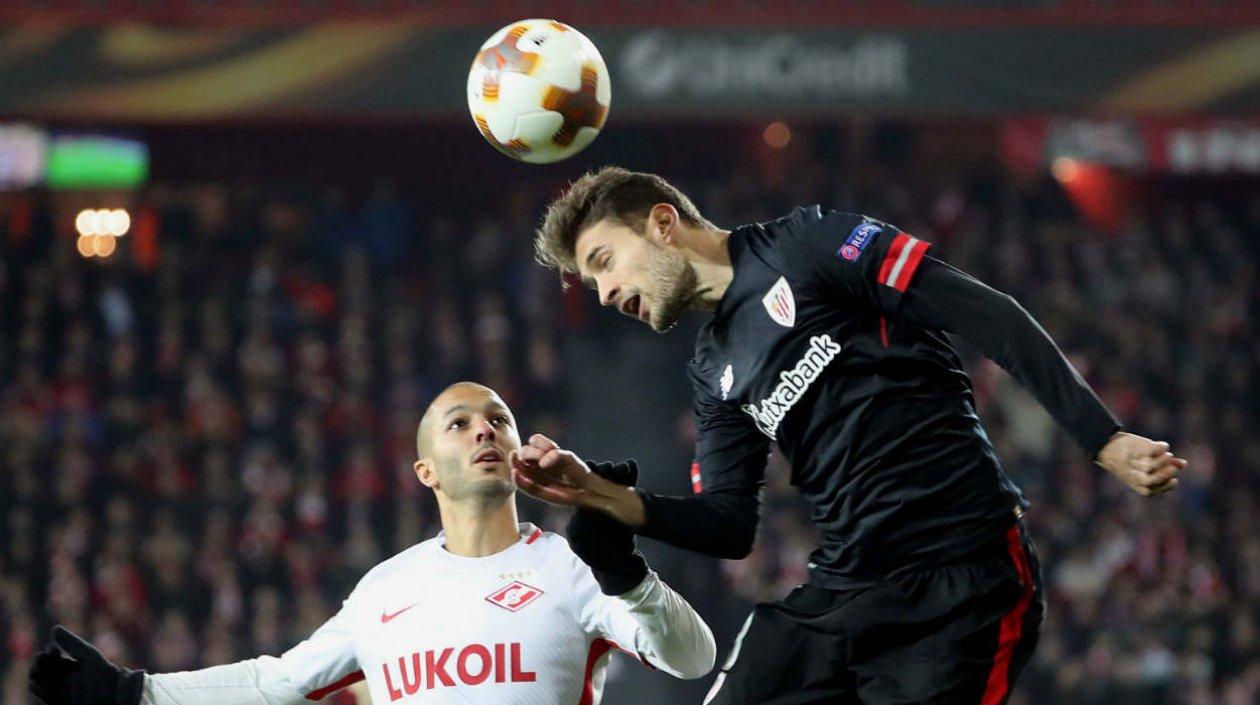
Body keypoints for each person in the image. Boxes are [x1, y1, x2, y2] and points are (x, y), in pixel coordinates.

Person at [514, 167, 1187, 705]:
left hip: (962, 587)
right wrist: (598, 494)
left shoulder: (808, 244)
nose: (604, 292)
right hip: (845, 589)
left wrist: (1102, 438)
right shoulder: (714, 368)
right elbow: (727, 523)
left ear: (663, 223)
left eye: (604, 260)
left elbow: (987, 313)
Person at [29, 382, 716, 705]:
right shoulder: (384, 590)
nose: (485, 429)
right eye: (459, 423)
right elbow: (277, 682)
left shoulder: (574, 565)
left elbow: (693, 659)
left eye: (499, 420)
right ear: (425, 471)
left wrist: (624, 569)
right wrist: (135, 693)